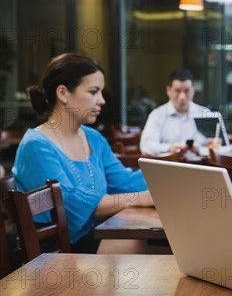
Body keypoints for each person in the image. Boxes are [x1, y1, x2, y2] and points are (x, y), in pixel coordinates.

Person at [12, 53, 153, 253]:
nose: (102, 100)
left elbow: (123, 181)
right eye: (94, 91)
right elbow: (68, 202)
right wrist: (140, 198)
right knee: (144, 245)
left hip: (90, 235)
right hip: (54, 252)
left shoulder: (93, 138)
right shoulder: (35, 146)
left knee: (156, 243)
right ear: (63, 93)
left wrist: (168, 180)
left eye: (101, 92)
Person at [139, 68, 210, 155]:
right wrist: (169, 148)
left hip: (200, 166)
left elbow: (217, 145)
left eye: (187, 91)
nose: (182, 97)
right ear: (169, 90)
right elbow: (146, 146)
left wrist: (202, 149)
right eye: (177, 91)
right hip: (168, 166)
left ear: (193, 91)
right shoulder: (157, 115)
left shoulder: (205, 113)